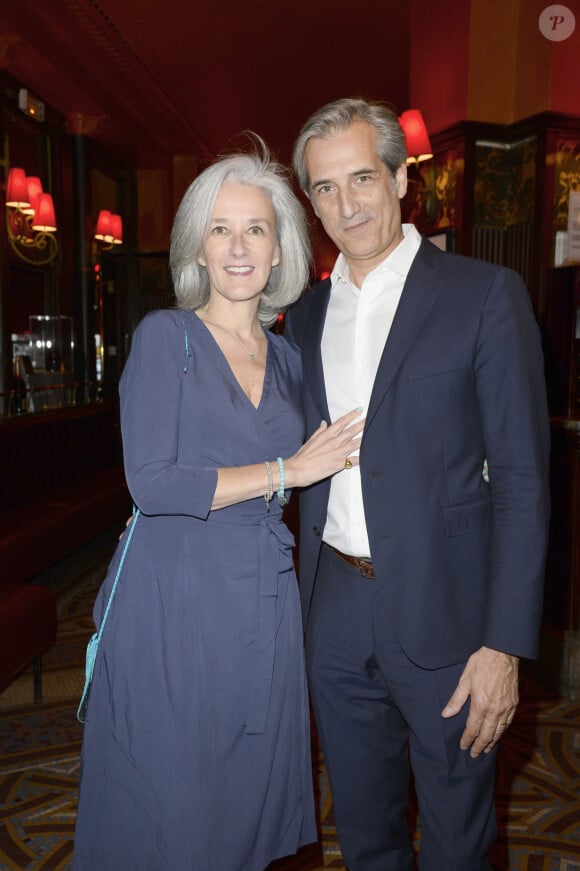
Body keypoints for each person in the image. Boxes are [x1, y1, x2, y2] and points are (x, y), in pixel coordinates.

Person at [72, 144, 364, 871]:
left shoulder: (292, 357)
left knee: (247, 792)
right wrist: (283, 470)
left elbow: (336, 455)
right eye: (221, 229)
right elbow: (153, 482)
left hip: (263, 593)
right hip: (177, 595)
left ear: (280, 249)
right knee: (179, 798)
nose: (239, 247)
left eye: (257, 229)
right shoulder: (165, 338)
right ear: (197, 247)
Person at [284, 98, 551, 870]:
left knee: (457, 841)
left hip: (451, 618)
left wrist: (504, 643)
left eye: (363, 177)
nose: (347, 203)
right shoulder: (300, 317)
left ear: (402, 178)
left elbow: (526, 484)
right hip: (333, 610)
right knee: (363, 836)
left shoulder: (484, 294)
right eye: (325, 188)